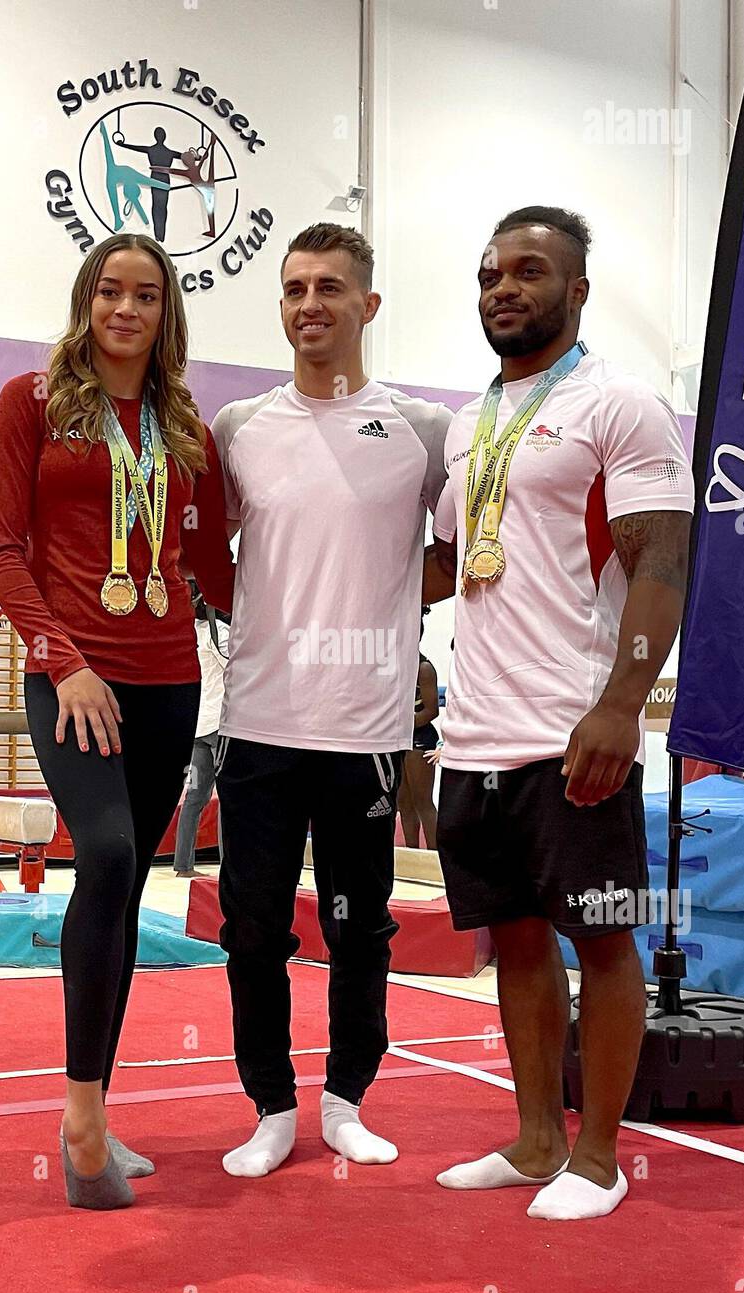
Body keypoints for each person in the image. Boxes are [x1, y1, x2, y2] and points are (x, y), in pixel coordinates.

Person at [426, 206, 693, 1219]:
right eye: (491, 272)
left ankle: (599, 1157)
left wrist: (622, 706)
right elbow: (453, 565)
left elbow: (662, 558)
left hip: (572, 727)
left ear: (577, 289)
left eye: (530, 271)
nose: (505, 287)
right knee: (520, 939)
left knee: (606, 941)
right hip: (477, 732)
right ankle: (537, 1139)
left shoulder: (621, 406)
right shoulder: (468, 423)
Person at [0, 232, 235, 1209]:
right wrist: (63, 659)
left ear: (167, 314)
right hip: (74, 675)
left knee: (123, 901)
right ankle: (80, 1116)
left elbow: (209, 561)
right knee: (114, 855)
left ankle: (100, 1107)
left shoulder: (183, 427)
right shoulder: (30, 404)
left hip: (169, 678)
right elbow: (2, 549)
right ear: (87, 299)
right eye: (110, 291)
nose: (126, 309)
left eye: (146, 296)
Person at [212, 222, 452, 1177]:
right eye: (293, 288)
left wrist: (385, 617)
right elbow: (200, 557)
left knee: (361, 928)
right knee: (252, 930)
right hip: (260, 723)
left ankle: (347, 1097)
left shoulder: (422, 433)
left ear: (368, 304)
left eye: (328, 288)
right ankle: (270, 1106)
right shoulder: (237, 429)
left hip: (365, 731)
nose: (309, 304)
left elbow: (455, 559)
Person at [174, 581, 228, 876]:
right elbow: (233, 664)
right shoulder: (222, 634)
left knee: (194, 798)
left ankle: (183, 865)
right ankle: (228, 865)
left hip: (199, 725)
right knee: (228, 799)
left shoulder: (188, 636)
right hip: (219, 726)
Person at [397, 618, 440, 849]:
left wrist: (404, 723)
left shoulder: (424, 668)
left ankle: (434, 857)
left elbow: (431, 711)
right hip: (400, 738)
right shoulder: (395, 665)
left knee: (423, 802)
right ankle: (411, 854)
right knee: (404, 802)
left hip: (420, 737)